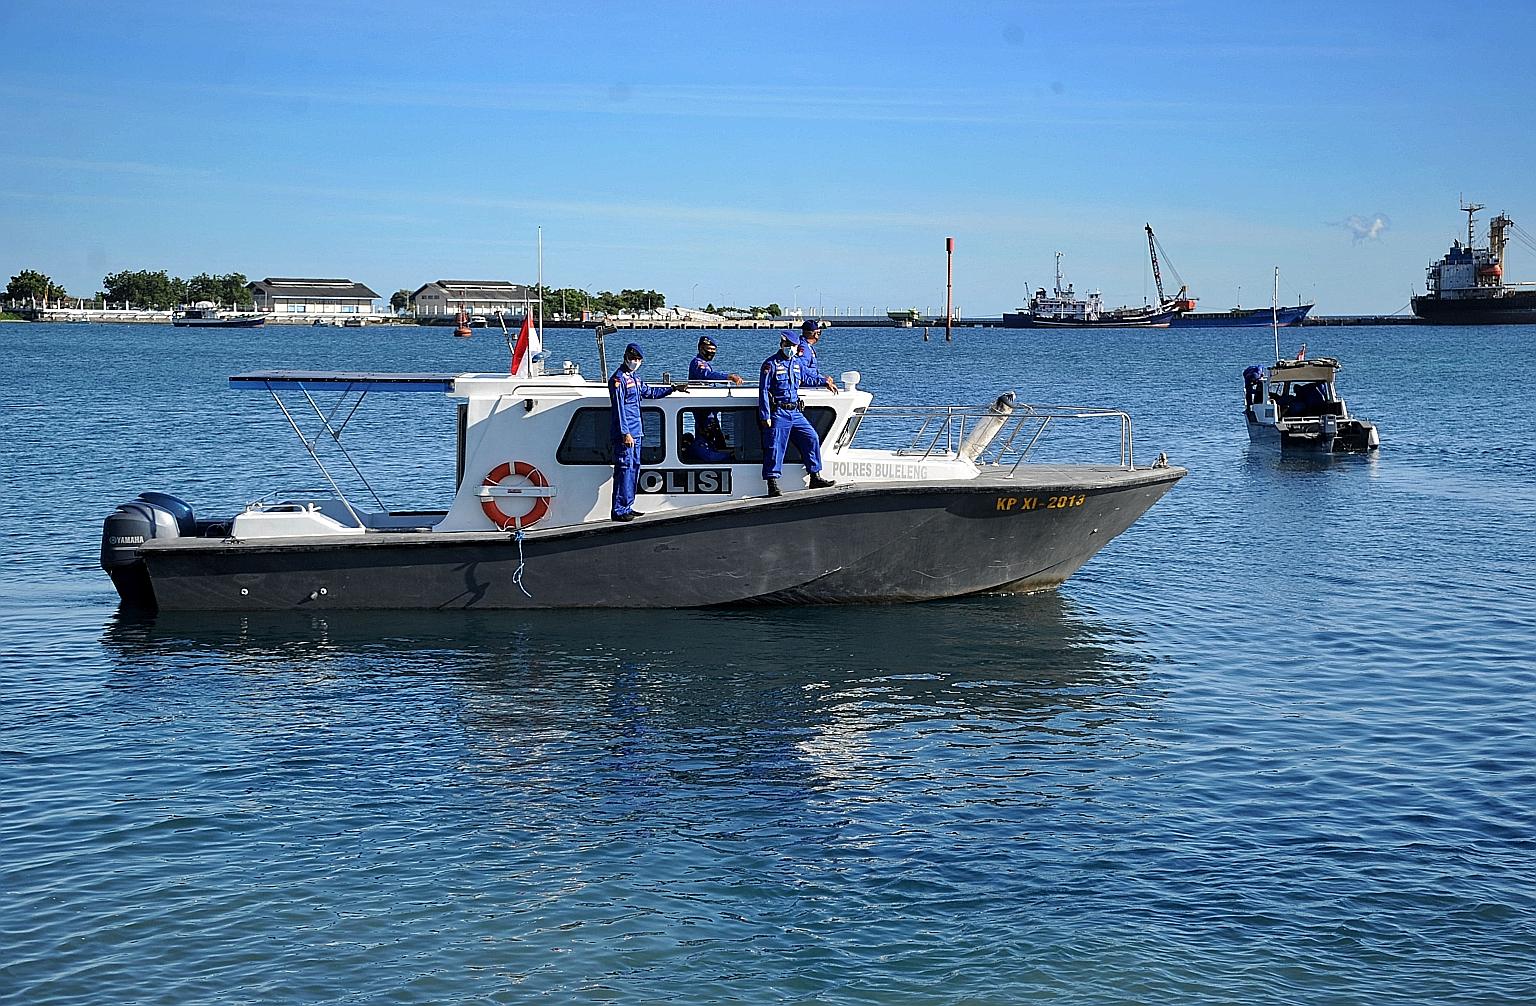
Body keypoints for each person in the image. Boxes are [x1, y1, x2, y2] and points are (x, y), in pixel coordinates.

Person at [758, 330, 836, 497]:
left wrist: (824, 382)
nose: (791, 348)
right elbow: (763, 390)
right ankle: (772, 483)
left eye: (794, 346)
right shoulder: (771, 364)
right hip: (779, 412)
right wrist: (765, 415)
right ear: (782, 344)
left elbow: (808, 378)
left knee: (811, 437)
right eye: (788, 345)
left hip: (795, 411)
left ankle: (815, 476)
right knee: (775, 446)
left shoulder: (796, 363)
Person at [609, 343, 678, 522]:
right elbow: (619, 409)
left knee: (634, 469)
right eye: (632, 358)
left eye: (638, 359)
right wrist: (625, 433)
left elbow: (650, 392)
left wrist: (672, 388)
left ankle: (628, 505)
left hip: (637, 432)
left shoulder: (636, 378)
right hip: (626, 434)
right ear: (625, 357)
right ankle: (618, 509)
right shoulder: (618, 379)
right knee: (624, 469)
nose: (635, 362)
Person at [796, 319, 840, 393]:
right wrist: (822, 381)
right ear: (815, 334)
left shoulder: (805, 345)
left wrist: (822, 378)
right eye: (819, 333)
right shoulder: (804, 349)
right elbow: (802, 371)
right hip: (806, 385)